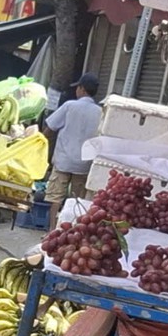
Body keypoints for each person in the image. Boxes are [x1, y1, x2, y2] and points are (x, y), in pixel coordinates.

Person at [43, 73, 102, 225]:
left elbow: (50, 127)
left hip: (64, 160)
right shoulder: (100, 112)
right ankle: (73, 229)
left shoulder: (70, 106)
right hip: (84, 164)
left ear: (82, 89)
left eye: (78, 87)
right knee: (78, 200)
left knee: (55, 197)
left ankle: (51, 230)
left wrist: (39, 142)